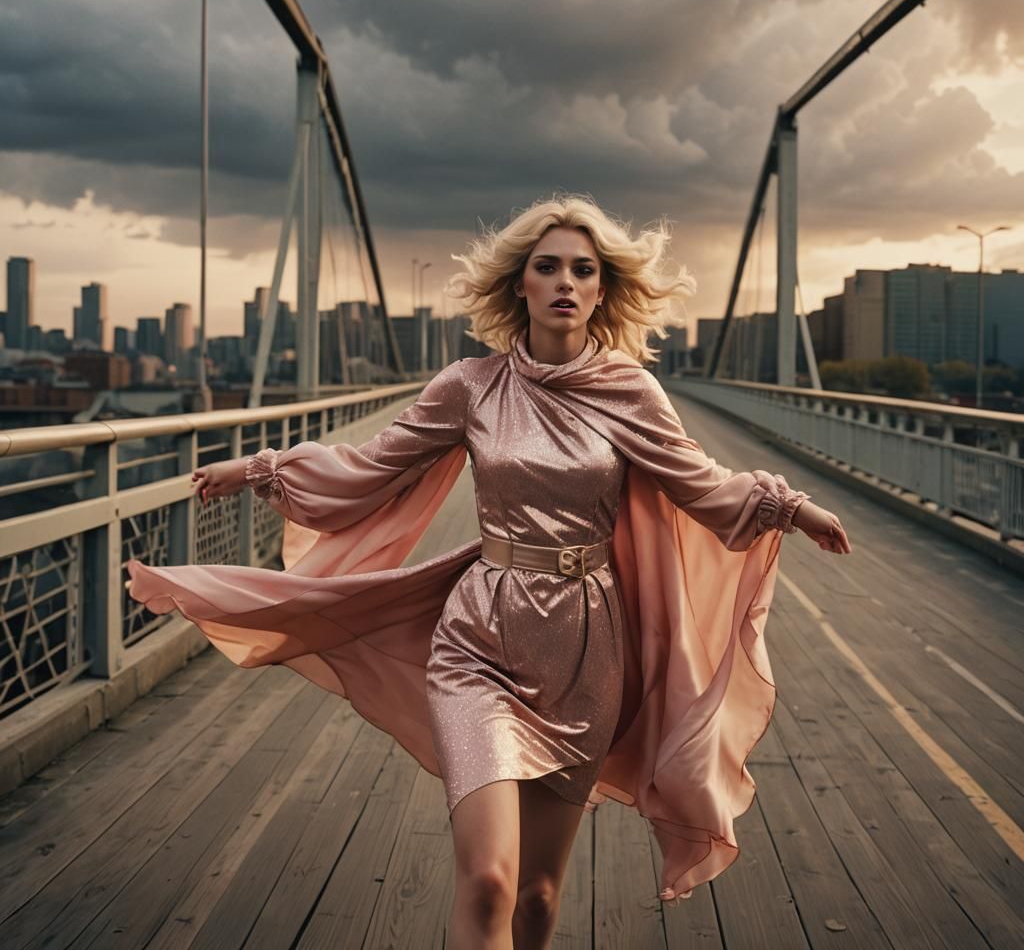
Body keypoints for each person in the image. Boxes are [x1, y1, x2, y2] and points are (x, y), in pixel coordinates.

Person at [128, 194, 851, 950]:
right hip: (480, 639)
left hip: (586, 652)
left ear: (604, 290)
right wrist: (259, 468)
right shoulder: (470, 386)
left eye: (584, 269)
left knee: (537, 897)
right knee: (489, 883)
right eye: (547, 268)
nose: (565, 282)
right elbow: (371, 468)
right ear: (521, 286)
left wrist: (791, 507)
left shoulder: (632, 391)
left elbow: (700, 484)